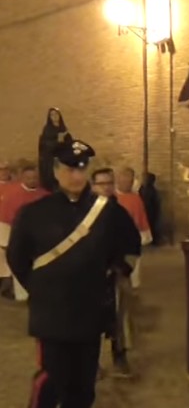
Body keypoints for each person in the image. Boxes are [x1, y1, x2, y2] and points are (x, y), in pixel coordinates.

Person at [7, 140, 135, 408]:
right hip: (52, 315)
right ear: (55, 170)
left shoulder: (107, 211)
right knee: (51, 381)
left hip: (90, 311)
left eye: (81, 168)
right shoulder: (34, 213)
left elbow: (130, 246)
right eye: (69, 169)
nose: (76, 175)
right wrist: (41, 289)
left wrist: (113, 275)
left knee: (84, 386)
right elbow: (17, 257)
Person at [91, 168, 141, 378]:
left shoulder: (119, 213)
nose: (107, 187)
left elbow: (133, 242)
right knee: (90, 322)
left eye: (110, 183)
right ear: (93, 186)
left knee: (118, 321)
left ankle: (120, 358)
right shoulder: (82, 213)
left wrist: (123, 267)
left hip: (116, 274)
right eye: (102, 183)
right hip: (89, 277)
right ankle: (91, 364)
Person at [0, 163, 49, 301]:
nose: (32, 180)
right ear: (23, 178)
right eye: (29, 178)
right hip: (15, 234)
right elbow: (5, 219)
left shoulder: (45, 195)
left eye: (35, 177)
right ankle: (20, 295)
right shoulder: (11, 194)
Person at [115, 167, 152, 289]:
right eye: (124, 178)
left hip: (134, 237)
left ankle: (133, 288)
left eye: (130, 179)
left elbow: (141, 216)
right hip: (116, 237)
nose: (127, 182)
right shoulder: (112, 197)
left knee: (134, 266)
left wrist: (145, 233)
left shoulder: (136, 198)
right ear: (118, 180)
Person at [38, 108, 73, 192]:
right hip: (50, 163)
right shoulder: (47, 130)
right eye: (52, 115)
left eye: (56, 114)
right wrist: (58, 141)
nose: (54, 116)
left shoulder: (64, 129)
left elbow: (70, 145)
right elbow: (45, 146)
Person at [0, 160, 15, 298]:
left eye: (6, 169)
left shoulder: (14, 186)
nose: (3, 172)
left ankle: (7, 286)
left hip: (9, 224)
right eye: (1, 169)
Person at [138, 172, 161, 245]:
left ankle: (152, 241)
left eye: (145, 179)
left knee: (151, 226)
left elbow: (155, 202)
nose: (144, 180)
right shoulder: (141, 188)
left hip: (150, 210)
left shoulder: (152, 190)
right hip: (143, 210)